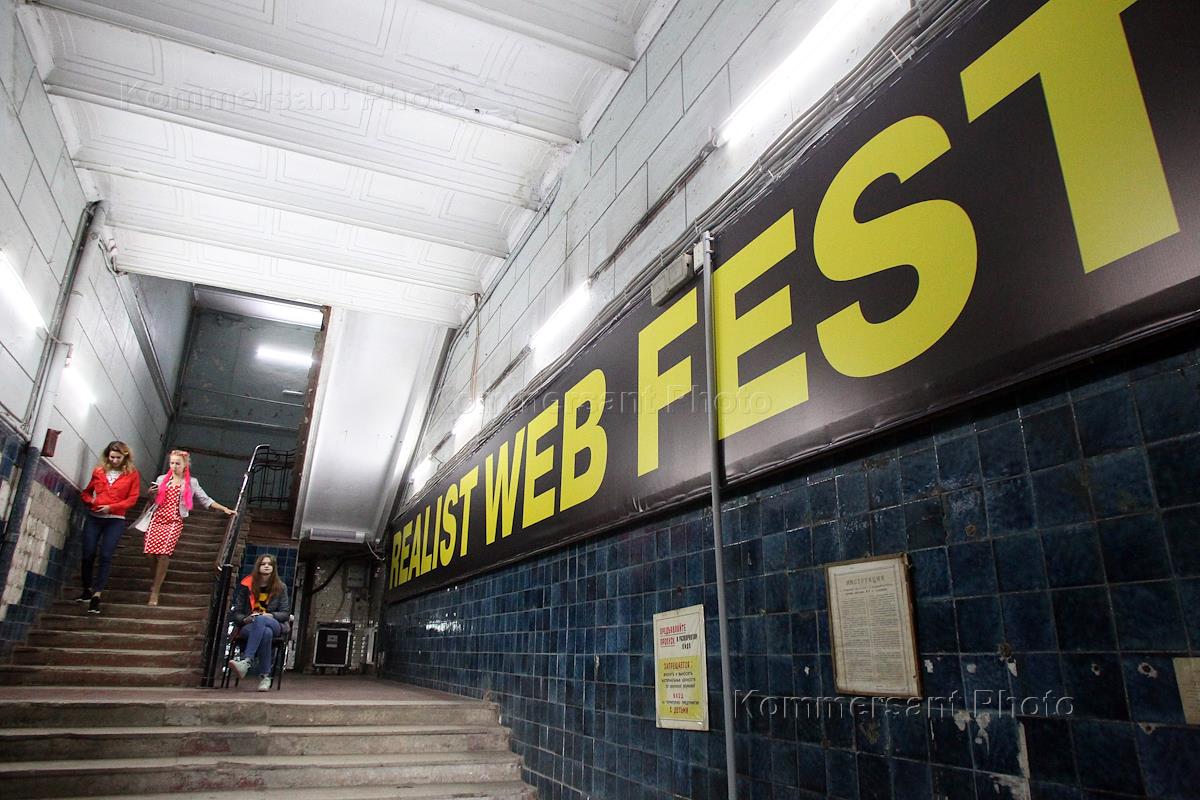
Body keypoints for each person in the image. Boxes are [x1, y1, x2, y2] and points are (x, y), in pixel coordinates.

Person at [144, 450, 234, 606]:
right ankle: (157, 578)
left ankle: (155, 591)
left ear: (185, 465)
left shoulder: (191, 482)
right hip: (157, 518)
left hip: (174, 521)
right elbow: (154, 501)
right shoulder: (161, 479)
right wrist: (150, 494)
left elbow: (205, 499)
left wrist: (224, 508)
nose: (174, 466)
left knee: (164, 554)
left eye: (177, 463)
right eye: (172, 463)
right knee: (150, 554)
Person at [77, 441, 141, 614]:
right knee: (88, 553)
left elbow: (132, 498)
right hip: (94, 517)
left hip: (115, 519)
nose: (114, 460)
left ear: (125, 457)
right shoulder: (99, 471)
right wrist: (92, 502)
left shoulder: (132, 474)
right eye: (112, 457)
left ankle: (97, 595)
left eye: (118, 458)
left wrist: (112, 507)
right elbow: (86, 492)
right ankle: (86, 588)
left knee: (106, 555)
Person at [228, 553, 290, 691]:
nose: (266, 566)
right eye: (263, 564)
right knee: (266, 633)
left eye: (269, 564)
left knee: (262, 619)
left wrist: (269, 615)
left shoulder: (281, 587)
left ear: (274, 568)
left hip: (274, 623)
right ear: (258, 567)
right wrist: (245, 619)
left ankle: (246, 661)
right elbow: (236, 612)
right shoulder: (247, 585)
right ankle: (265, 677)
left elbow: (285, 613)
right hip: (250, 625)